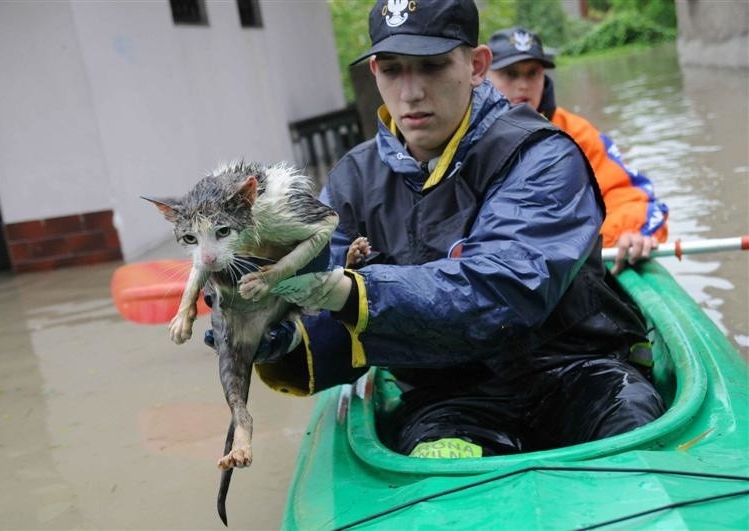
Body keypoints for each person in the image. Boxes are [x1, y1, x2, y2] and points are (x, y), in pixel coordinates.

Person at [232, 0, 666, 458]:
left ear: (477, 65)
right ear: (375, 70)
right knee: (436, 468)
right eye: (393, 70)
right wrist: (277, 336)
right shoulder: (351, 181)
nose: (411, 92)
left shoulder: (543, 156)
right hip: (448, 399)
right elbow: (331, 324)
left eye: (433, 66)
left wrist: (353, 292)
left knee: (635, 440)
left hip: (579, 374)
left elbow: (506, 288)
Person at [486, 27, 669, 274]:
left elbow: (622, 193)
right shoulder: (463, 135)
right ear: (483, 74)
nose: (523, 85)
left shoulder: (576, 133)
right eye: (510, 73)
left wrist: (628, 233)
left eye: (533, 73)